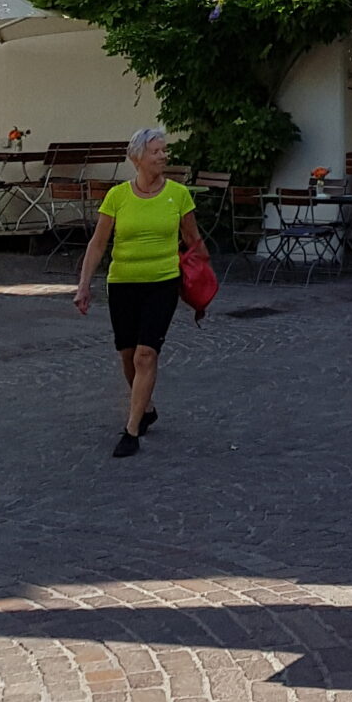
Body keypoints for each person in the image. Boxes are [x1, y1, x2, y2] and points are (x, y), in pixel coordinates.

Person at [73, 126, 207, 458]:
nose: (164, 156)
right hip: (122, 283)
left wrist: (203, 284)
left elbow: (194, 240)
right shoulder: (117, 196)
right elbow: (98, 243)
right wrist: (84, 285)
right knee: (127, 355)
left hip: (163, 282)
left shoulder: (178, 194)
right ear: (138, 158)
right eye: (157, 151)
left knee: (145, 355)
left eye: (164, 150)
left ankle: (131, 429)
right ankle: (146, 408)